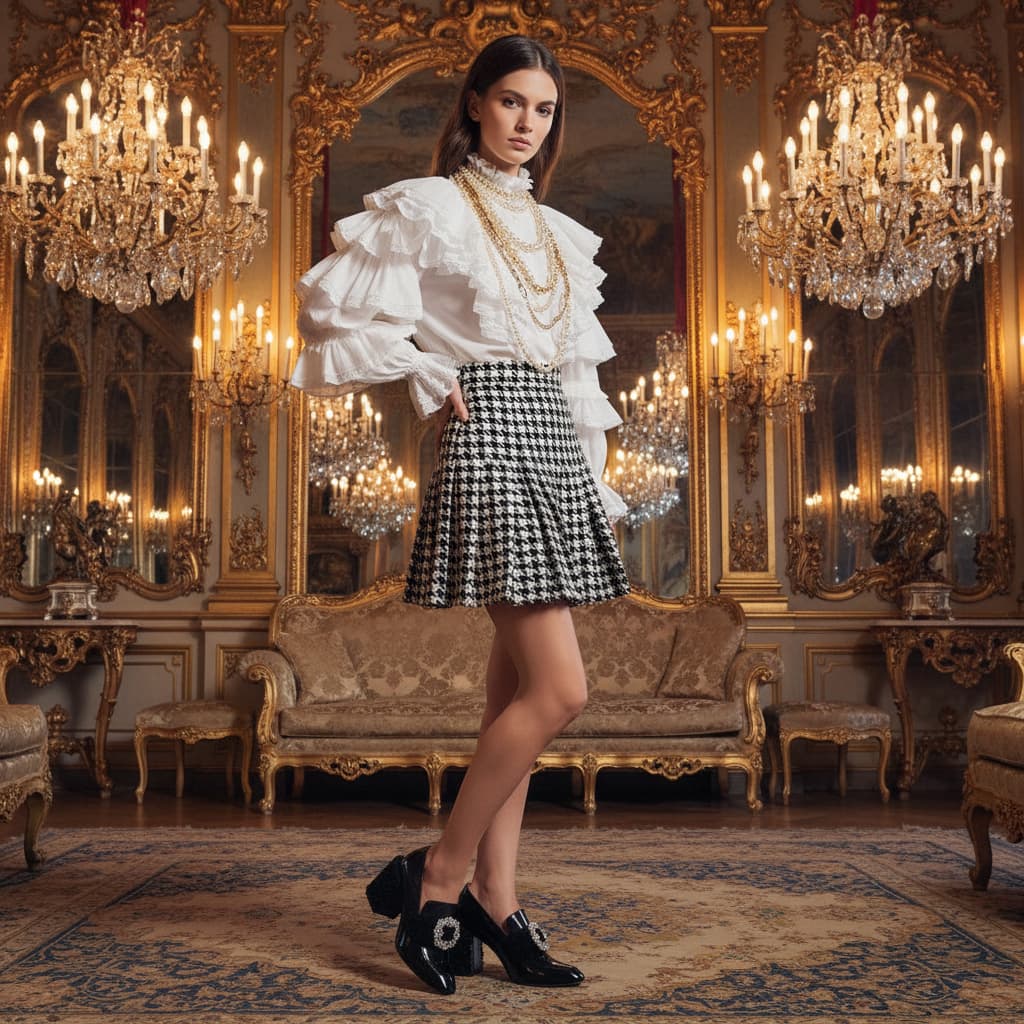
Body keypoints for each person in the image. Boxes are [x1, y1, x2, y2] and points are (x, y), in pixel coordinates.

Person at [293, 34, 629, 996]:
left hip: (553, 448)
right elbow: (333, 312)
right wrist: (427, 373)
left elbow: (572, 374)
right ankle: (436, 878)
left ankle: (496, 895)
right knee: (561, 695)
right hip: (488, 448)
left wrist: (588, 479)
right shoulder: (431, 206)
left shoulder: (554, 231)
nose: (529, 123)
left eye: (546, 109)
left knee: (510, 706)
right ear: (476, 104)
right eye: (513, 103)